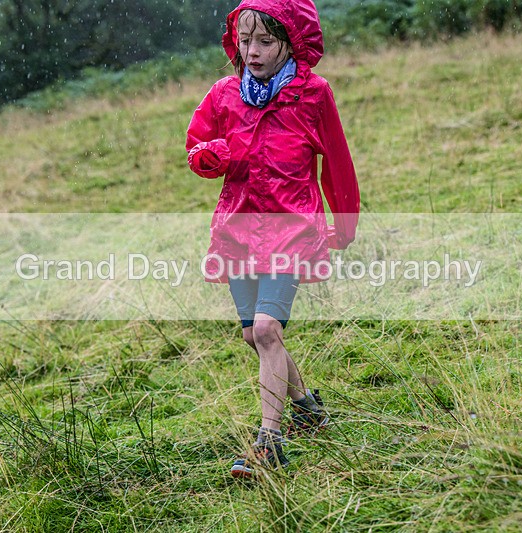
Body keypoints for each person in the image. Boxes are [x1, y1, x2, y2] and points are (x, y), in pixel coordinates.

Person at [185, 0, 360, 479]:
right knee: (255, 336)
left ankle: (270, 444)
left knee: (266, 330)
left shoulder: (313, 94)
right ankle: (306, 406)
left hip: (291, 227)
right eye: (245, 41)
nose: (253, 51)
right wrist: (209, 155)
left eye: (265, 41)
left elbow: (337, 161)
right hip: (238, 227)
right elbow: (196, 144)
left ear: (291, 42)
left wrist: (342, 224)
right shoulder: (223, 93)